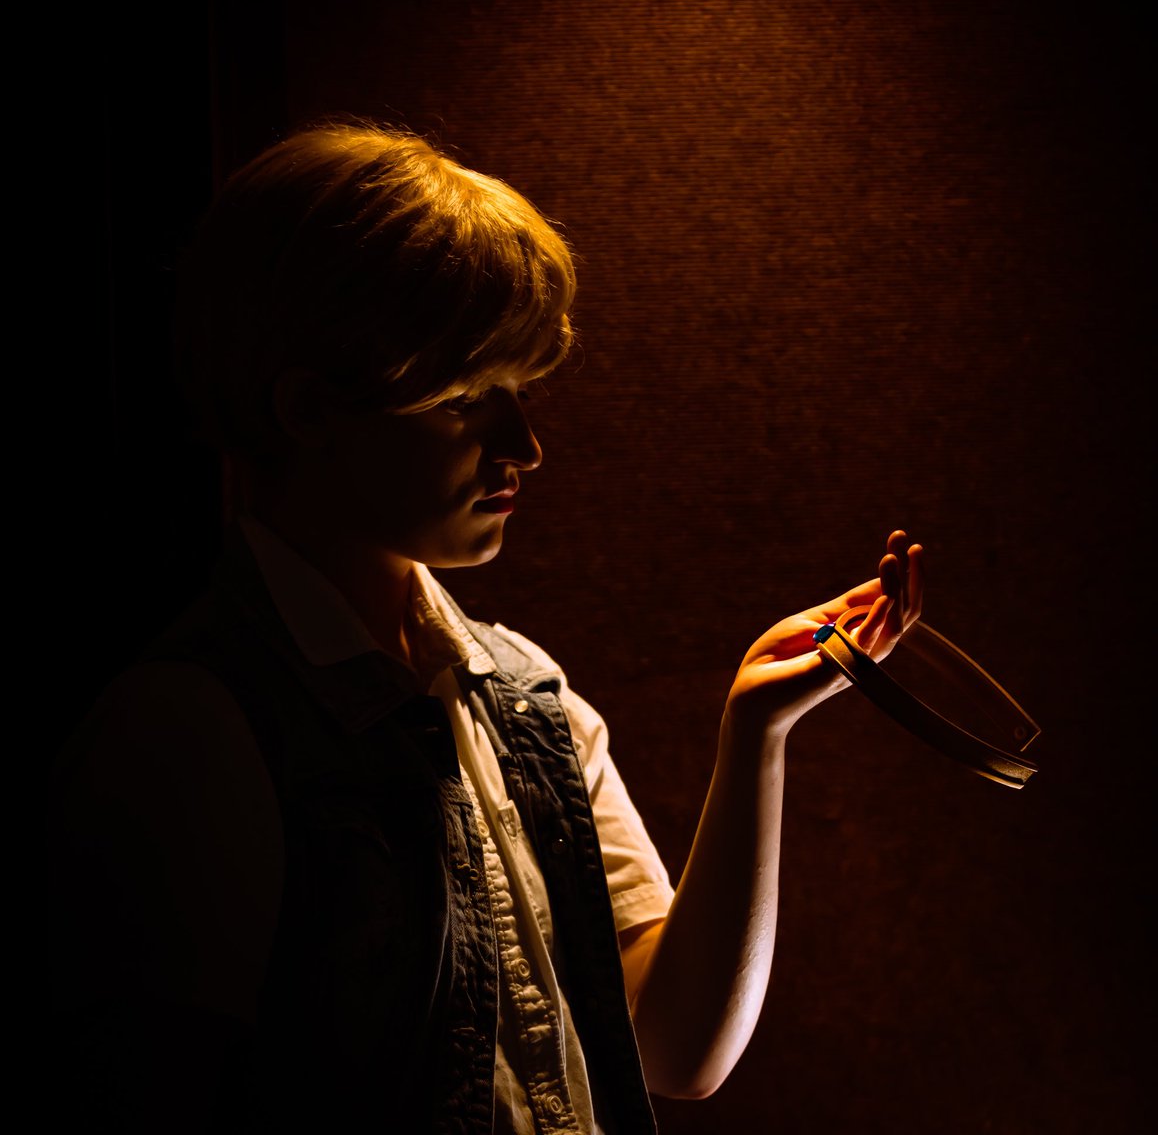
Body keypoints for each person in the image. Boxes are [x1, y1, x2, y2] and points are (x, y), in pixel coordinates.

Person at [48, 121, 923, 1133]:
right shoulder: (190, 732)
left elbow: (677, 1049)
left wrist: (758, 736)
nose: (525, 445)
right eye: (466, 399)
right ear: (310, 410)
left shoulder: (525, 700)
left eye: (519, 391)